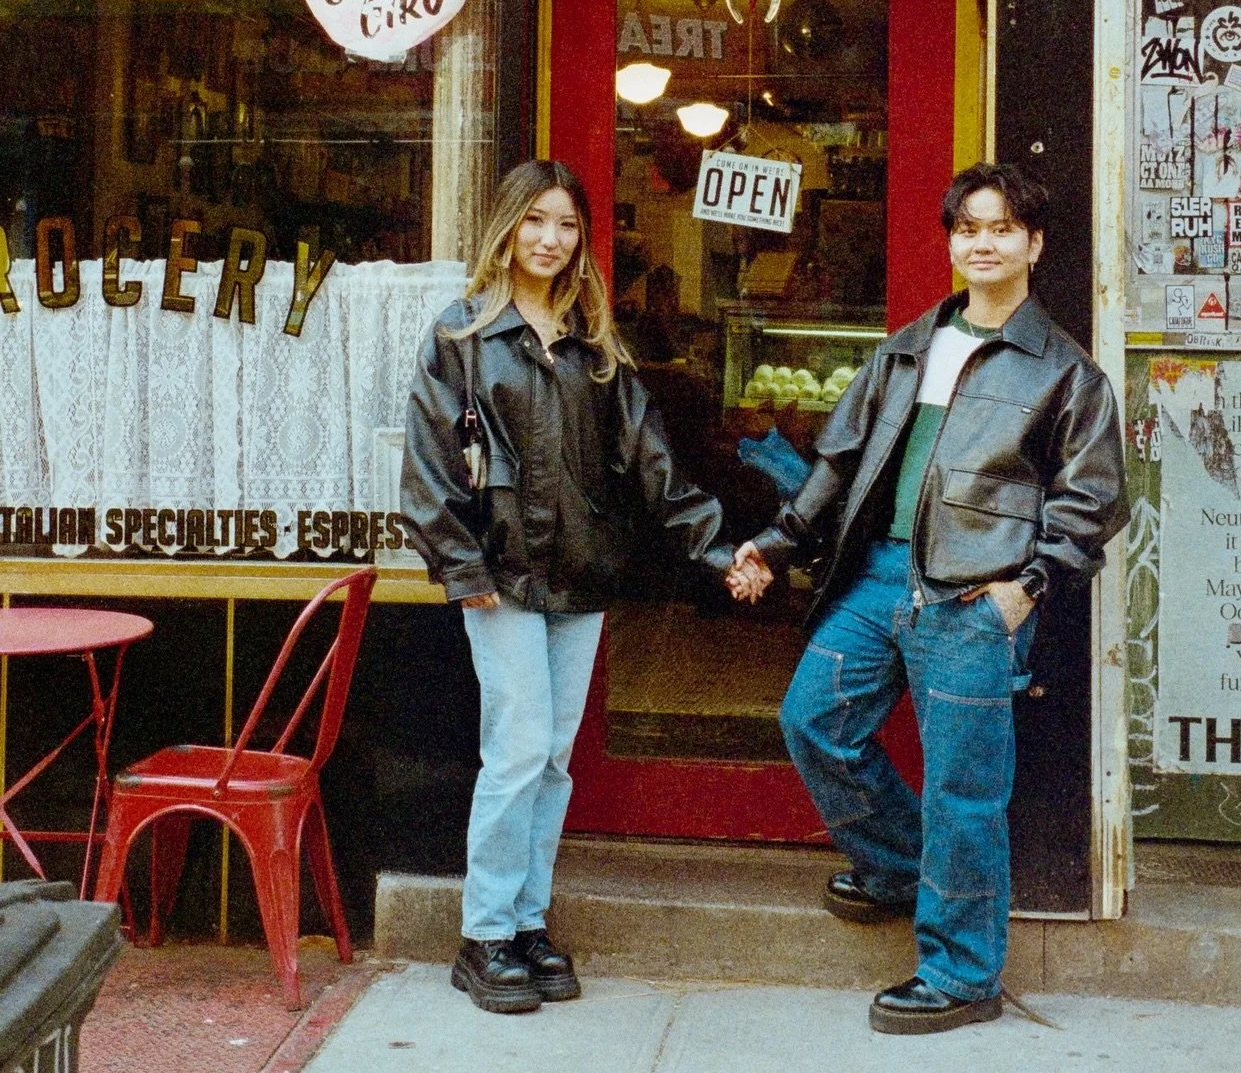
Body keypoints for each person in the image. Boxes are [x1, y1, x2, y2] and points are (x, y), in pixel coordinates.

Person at [728, 162, 1127, 1036]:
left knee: (964, 790)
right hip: (877, 579)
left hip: (971, 602)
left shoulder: (1065, 373)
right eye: (967, 229)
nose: (982, 243)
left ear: (1034, 244)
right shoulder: (912, 342)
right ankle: (902, 865)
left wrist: (1022, 593)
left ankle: (962, 972)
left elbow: (1092, 502)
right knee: (815, 722)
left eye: (1001, 229)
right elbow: (838, 460)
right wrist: (778, 540)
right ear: (951, 242)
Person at [401, 159, 749, 1016]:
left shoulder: (596, 345)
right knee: (516, 750)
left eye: (565, 226)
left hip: (583, 573)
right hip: (502, 577)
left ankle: (526, 922)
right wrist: (462, 567)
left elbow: (654, 464)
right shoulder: (461, 336)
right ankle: (482, 934)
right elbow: (427, 467)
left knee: (552, 758)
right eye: (535, 222)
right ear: (507, 227)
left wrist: (720, 552)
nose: (550, 240)